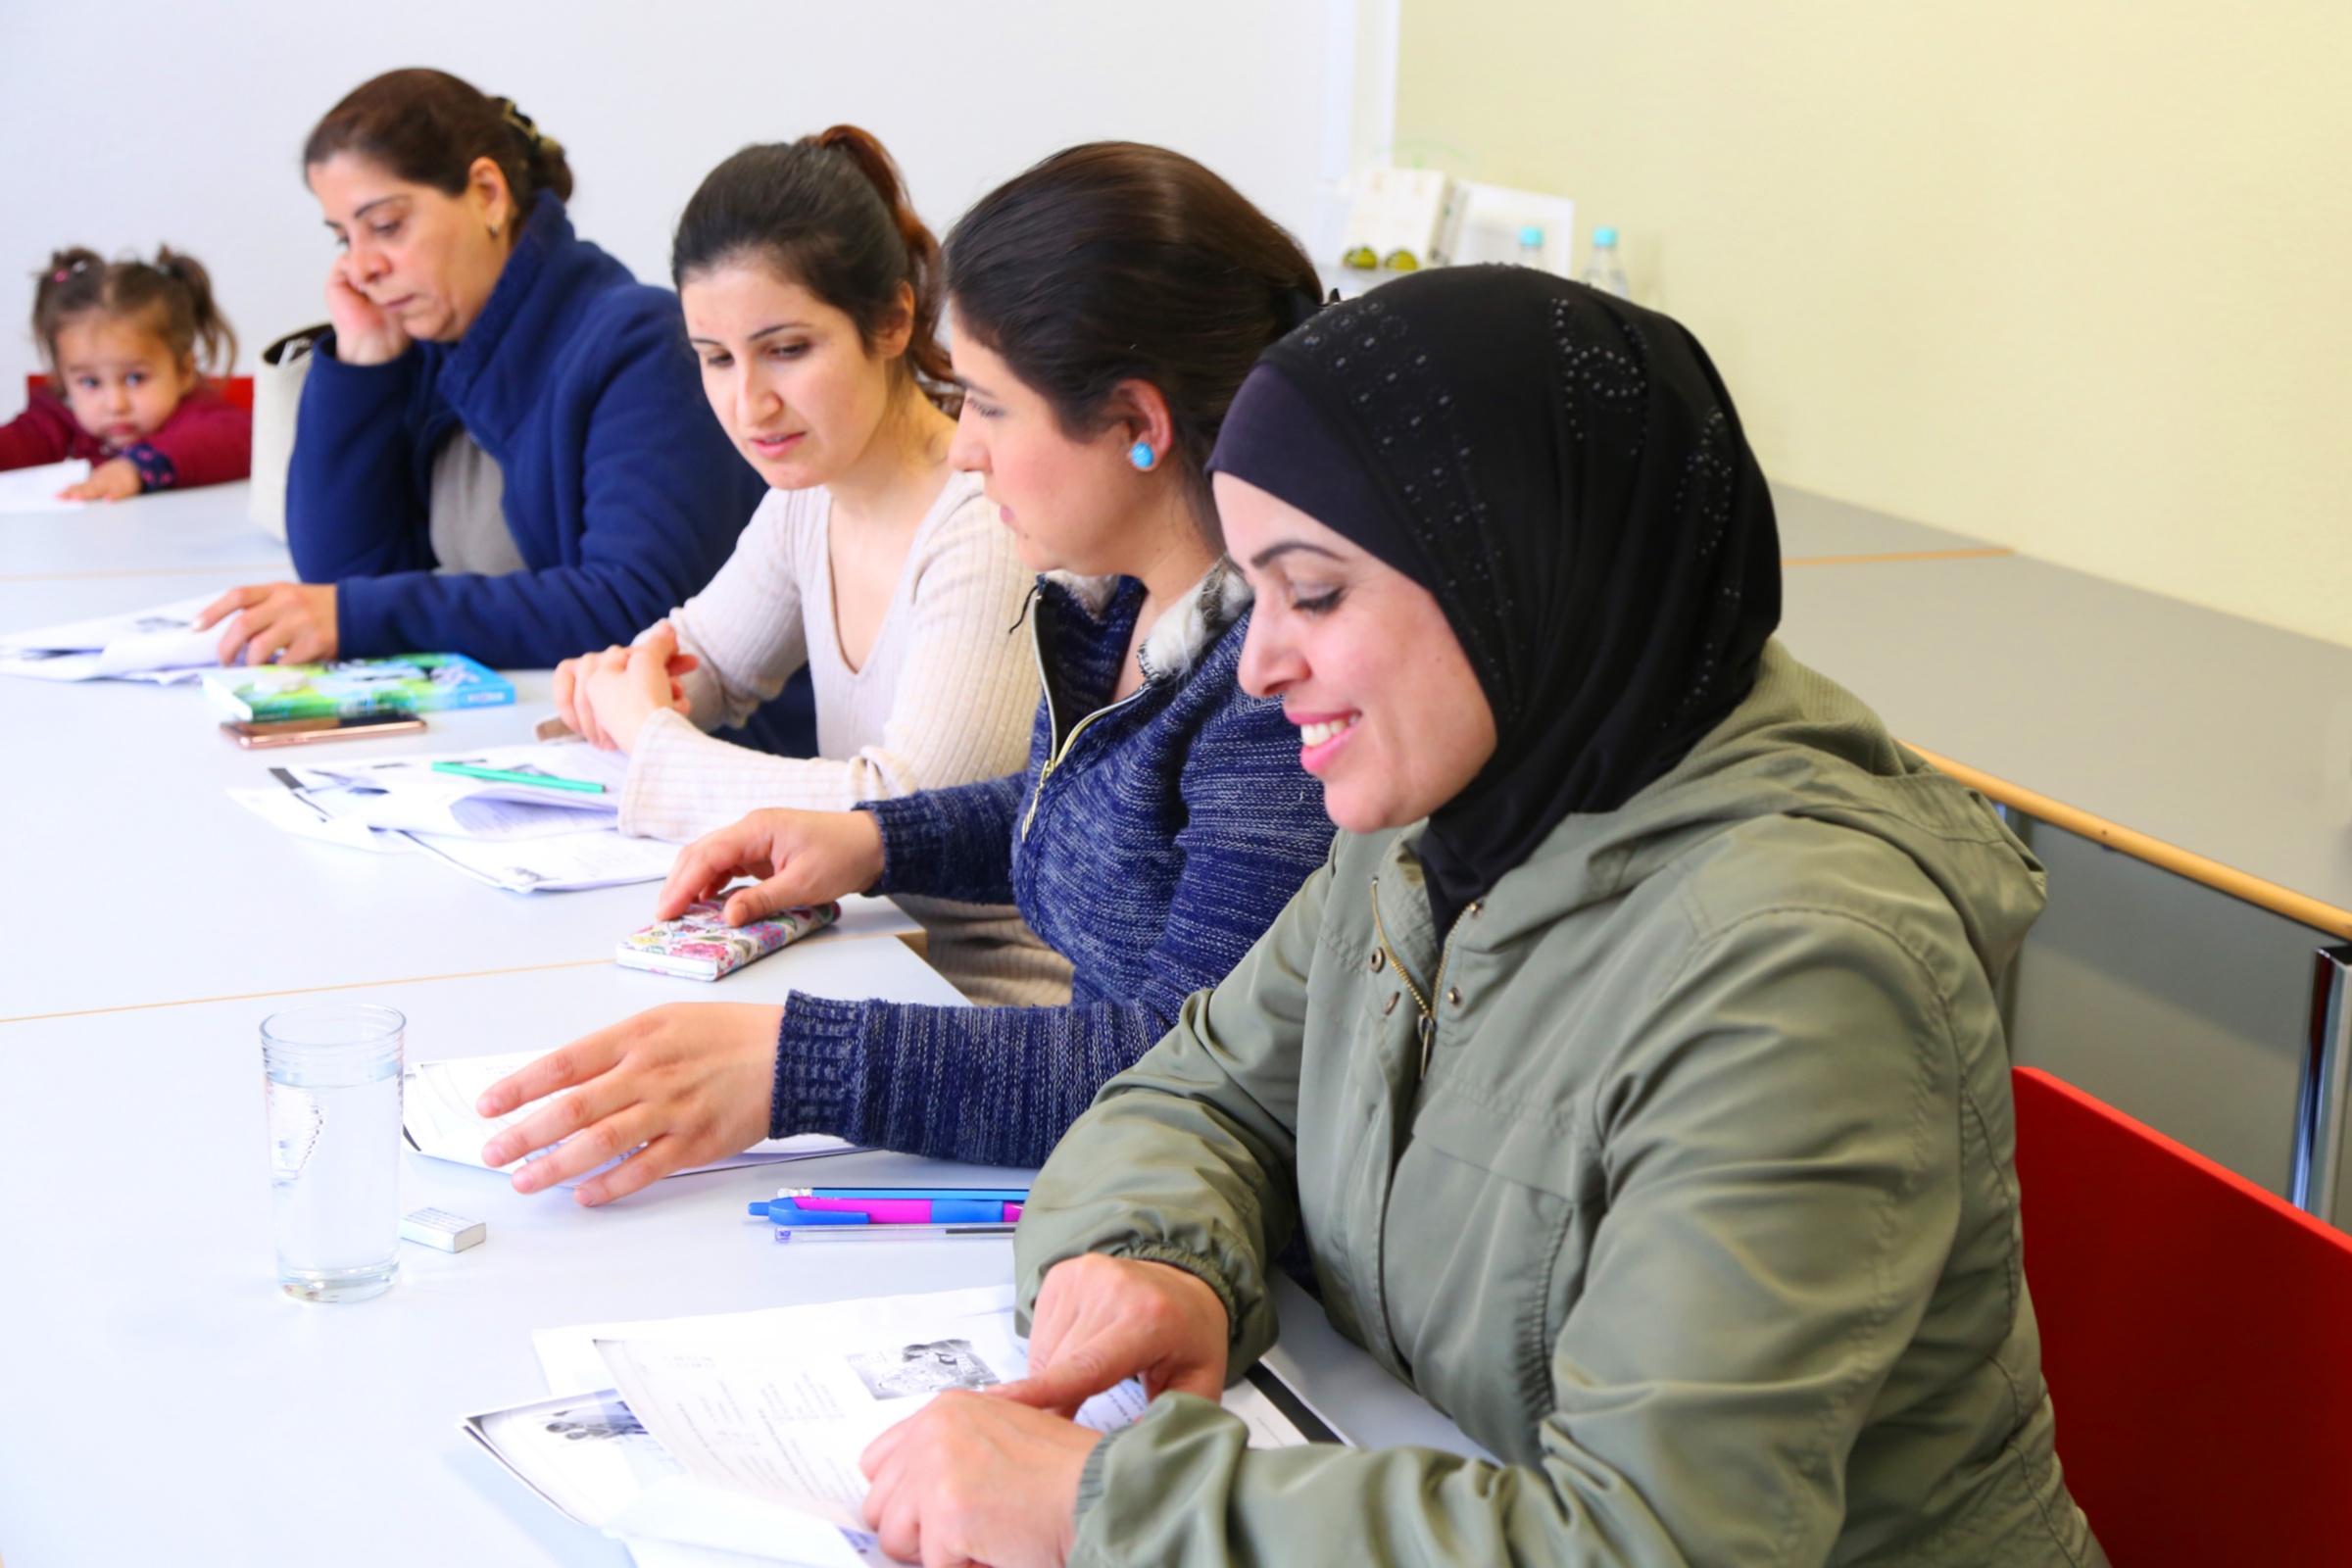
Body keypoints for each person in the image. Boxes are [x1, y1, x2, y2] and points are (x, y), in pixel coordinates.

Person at [853, 269, 2109, 1568]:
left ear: (1519, 573)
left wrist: (1102, 1506)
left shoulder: (1800, 970)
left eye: (1317, 593)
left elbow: (1648, 1546)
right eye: (1254, 592)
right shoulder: (1437, 817)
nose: (1264, 663)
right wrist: (1157, 1259)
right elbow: (1203, 1095)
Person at [472, 144, 1340, 1203]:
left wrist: (802, 1065)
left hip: (1184, 1220)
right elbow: (1088, 812)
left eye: (989, 405)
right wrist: (879, 839)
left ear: (1137, 426)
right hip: (1113, 1182)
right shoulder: (1106, 602)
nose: (964, 449)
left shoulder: (1276, 695)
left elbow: (1181, 1063)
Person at [553, 128, 1063, 1006]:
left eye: (787, 350)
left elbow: (901, 806)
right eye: (715, 359)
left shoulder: (982, 522)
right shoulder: (808, 495)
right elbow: (705, 661)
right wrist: (629, 686)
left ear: (894, 321)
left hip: (986, 1002)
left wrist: (649, 737)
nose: (748, 404)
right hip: (854, 959)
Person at [199, 70, 797, 751]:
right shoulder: (427, 344)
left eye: (386, 226)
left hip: (704, 763)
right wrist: (363, 362)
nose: (363, 267)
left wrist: (361, 615)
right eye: (344, 239)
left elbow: (634, 606)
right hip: (523, 736)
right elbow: (341, 578)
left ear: (487, 194)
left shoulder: (637, 341)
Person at [2, 247, 249, 500]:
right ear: (64, 379)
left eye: (135, 378)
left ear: (184, 372)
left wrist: (138, 466)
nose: (115, 405)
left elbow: (244, 436)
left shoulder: (199, 416)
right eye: (90, 382)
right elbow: (22, 442)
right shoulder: (59, 414)